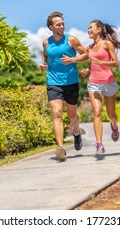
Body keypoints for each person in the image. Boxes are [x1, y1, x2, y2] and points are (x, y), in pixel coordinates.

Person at [61, 19, 120, 156]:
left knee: (111, 114)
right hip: (94, 82)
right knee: (97, 111)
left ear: (99, 29)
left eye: (91, 28)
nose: (88, 30)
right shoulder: (89, 48)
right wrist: (88, 70)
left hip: (108, 81)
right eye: (88, 29)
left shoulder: (107, 44)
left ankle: (114, 126)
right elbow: (92, 63)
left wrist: (100, 61)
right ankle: (99, 145)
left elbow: (116, 63)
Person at [40, 12, 87, 161]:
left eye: (62, 23)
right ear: (50, 27)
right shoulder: (46, 43)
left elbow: (86, 54)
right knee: (57, 113)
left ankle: (77, 132)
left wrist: (73, 59)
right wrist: (44, 65)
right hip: (53, 82)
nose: (61, 26)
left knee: (72, 115)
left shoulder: (71, 40)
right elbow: (46, 56)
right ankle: (60, 148)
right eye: (58, 24)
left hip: (71, 82)